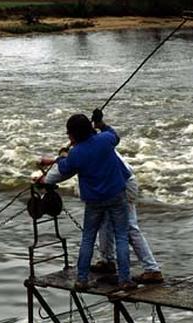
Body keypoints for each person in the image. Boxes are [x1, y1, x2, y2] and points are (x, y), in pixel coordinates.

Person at [37, 110, 136, 292]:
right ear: (90, 127)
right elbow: (114, 135)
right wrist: (101, 124)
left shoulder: (76, 154)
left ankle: (82, 279)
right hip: (116, 195)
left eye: (69, 134)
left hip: (94, 200)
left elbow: (64, 167)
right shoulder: (105, 140)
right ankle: (125, 280)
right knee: (121, 237)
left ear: (73, 135)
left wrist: (62, 155)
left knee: (88, 238)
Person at [94, 153, 164, 284]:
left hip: (122, 186)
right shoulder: (97, 142)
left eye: (69, 134)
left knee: (129, 228)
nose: (68, 137)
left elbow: (67, 169)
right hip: (115, 185)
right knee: (105, 222)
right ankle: (107, 261)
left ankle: (152, 270)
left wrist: (49, 179)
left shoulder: (88, 148)